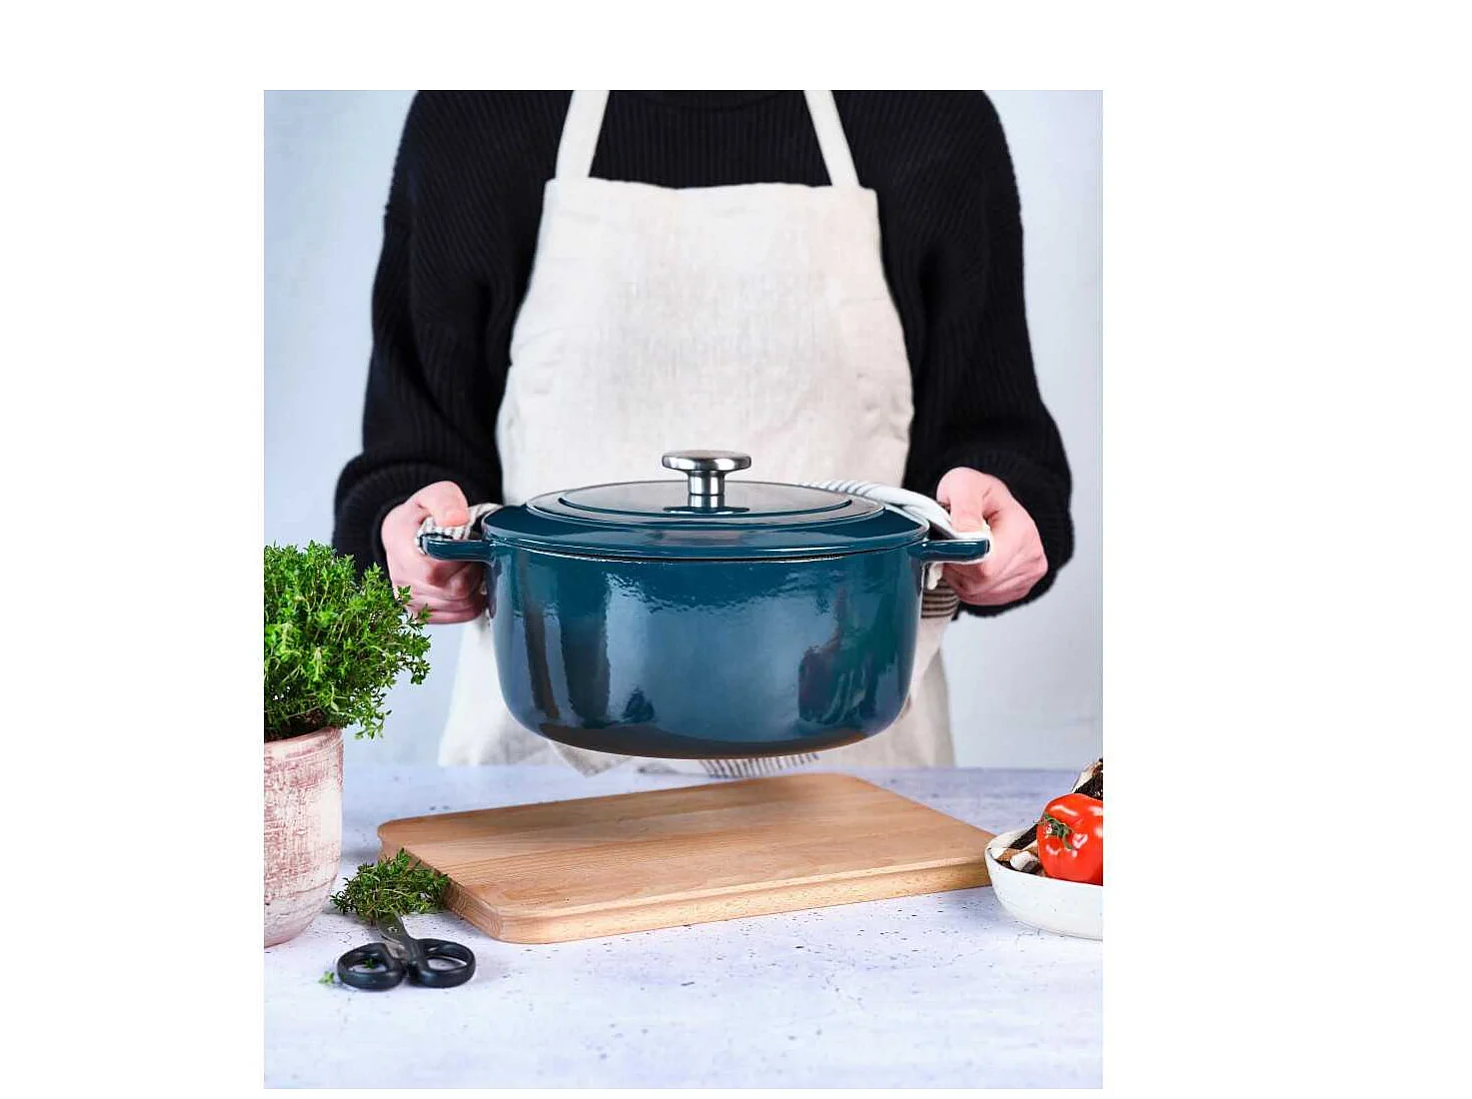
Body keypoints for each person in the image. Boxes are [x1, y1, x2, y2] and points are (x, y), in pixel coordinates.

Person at [334, 91, 1072, 772]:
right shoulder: (480, 107)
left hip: (855, 783)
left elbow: (997, 443)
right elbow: (412, 453)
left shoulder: (928, 111)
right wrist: (409, 535)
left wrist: (997, 526)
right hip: (543, 781)